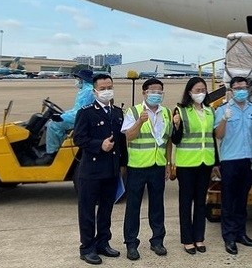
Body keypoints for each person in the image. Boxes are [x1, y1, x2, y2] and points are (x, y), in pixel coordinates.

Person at [73, 73, 127, 265]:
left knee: (106, 209)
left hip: (111, 170)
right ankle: (87, 247)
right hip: (92, 170)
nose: (107, 91)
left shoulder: (118, 112)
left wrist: (122, 165)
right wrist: (99, 145)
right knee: (87, 210)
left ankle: (103, 242)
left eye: (109, 87)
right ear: (95, 91)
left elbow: (121, 143)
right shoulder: (86, 112)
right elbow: (78, 138)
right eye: (103, 88)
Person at [120, 78, 173, 261]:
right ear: (144, 93)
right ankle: (131, 243)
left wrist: (168, 163)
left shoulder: (166, 112)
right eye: (153, 91)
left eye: (160, 91)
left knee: (157, 205)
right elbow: (128, 137)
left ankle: (157, 240)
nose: (156, 94)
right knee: (133, 207)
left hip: (158, 166)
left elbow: (167, 140)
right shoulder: (134, 111)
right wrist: (139, 122)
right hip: (137, 167)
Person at [214, 76, 252, 255]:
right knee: (228, 200)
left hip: (248, 159)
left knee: (242, 200)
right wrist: (225, 119)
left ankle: (241, 233)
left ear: (248, 88)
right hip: (230, 160)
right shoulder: (223, 109)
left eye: (243, 87)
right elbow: (218, 135)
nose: (240, 90)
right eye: (237, 88)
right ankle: (229, 237)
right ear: (231, 90)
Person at [170, 77, 216, 255]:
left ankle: (199, 237)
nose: (201, 93)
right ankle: (187, 239)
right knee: (185, 202)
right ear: (189, 92)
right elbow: (176, 139)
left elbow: (211, 138)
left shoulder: (210, 111)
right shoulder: (181, 110)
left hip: (205, 162)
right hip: (187, 163)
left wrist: (216, 163)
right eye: (197, 90)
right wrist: (176, 126)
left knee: (201, 202)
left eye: (203, 90)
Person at [39, 69, 94, 165]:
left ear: (82, 79)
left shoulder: (88, 91)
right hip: (79, 116)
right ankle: (56, 147)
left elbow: (81, 112)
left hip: (81, 119)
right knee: (53, 122)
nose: (76, 80)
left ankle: (51, 153)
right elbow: (76, 109)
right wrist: (63, 114)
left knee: (53, 125)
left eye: (77, 78)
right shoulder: (84, 90)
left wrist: (62, 117)